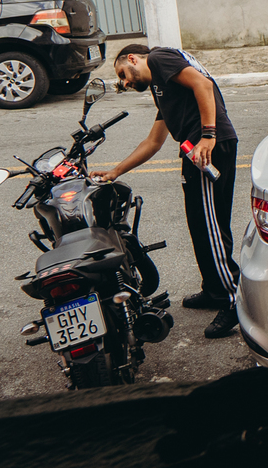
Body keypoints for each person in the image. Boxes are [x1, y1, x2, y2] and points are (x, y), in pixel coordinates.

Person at [92, 44, 241, 339]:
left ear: (133, 59)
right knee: (201, 225)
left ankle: (231, 298)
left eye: (122, 74)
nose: (124, 82)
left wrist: (208, 136)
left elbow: (204, 84)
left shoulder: (160, 58)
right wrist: (115, 171)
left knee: (211, 229)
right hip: (196, 150)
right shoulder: (163, 86)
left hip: (207, 147)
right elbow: (154, 142)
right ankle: (213, 289)